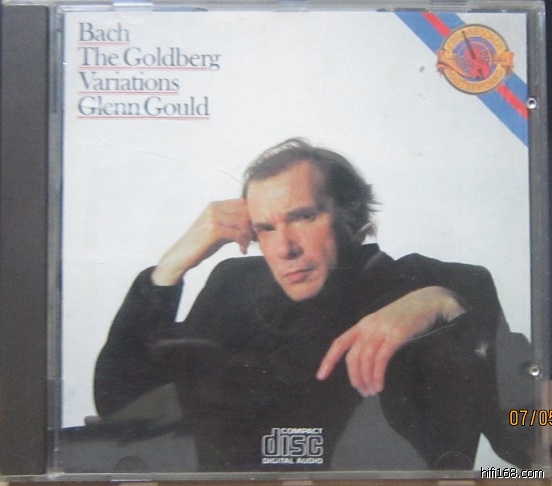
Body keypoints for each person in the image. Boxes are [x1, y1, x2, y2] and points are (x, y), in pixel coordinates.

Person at [95, 138, 534, 472]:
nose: (284, 248)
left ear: (351, 215)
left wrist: (451, 310)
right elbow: (118, 404)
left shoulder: (444, 284)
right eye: (266, 228)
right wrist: (170, 267)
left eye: (303, 217)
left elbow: (531, 438)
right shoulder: (234, 286)